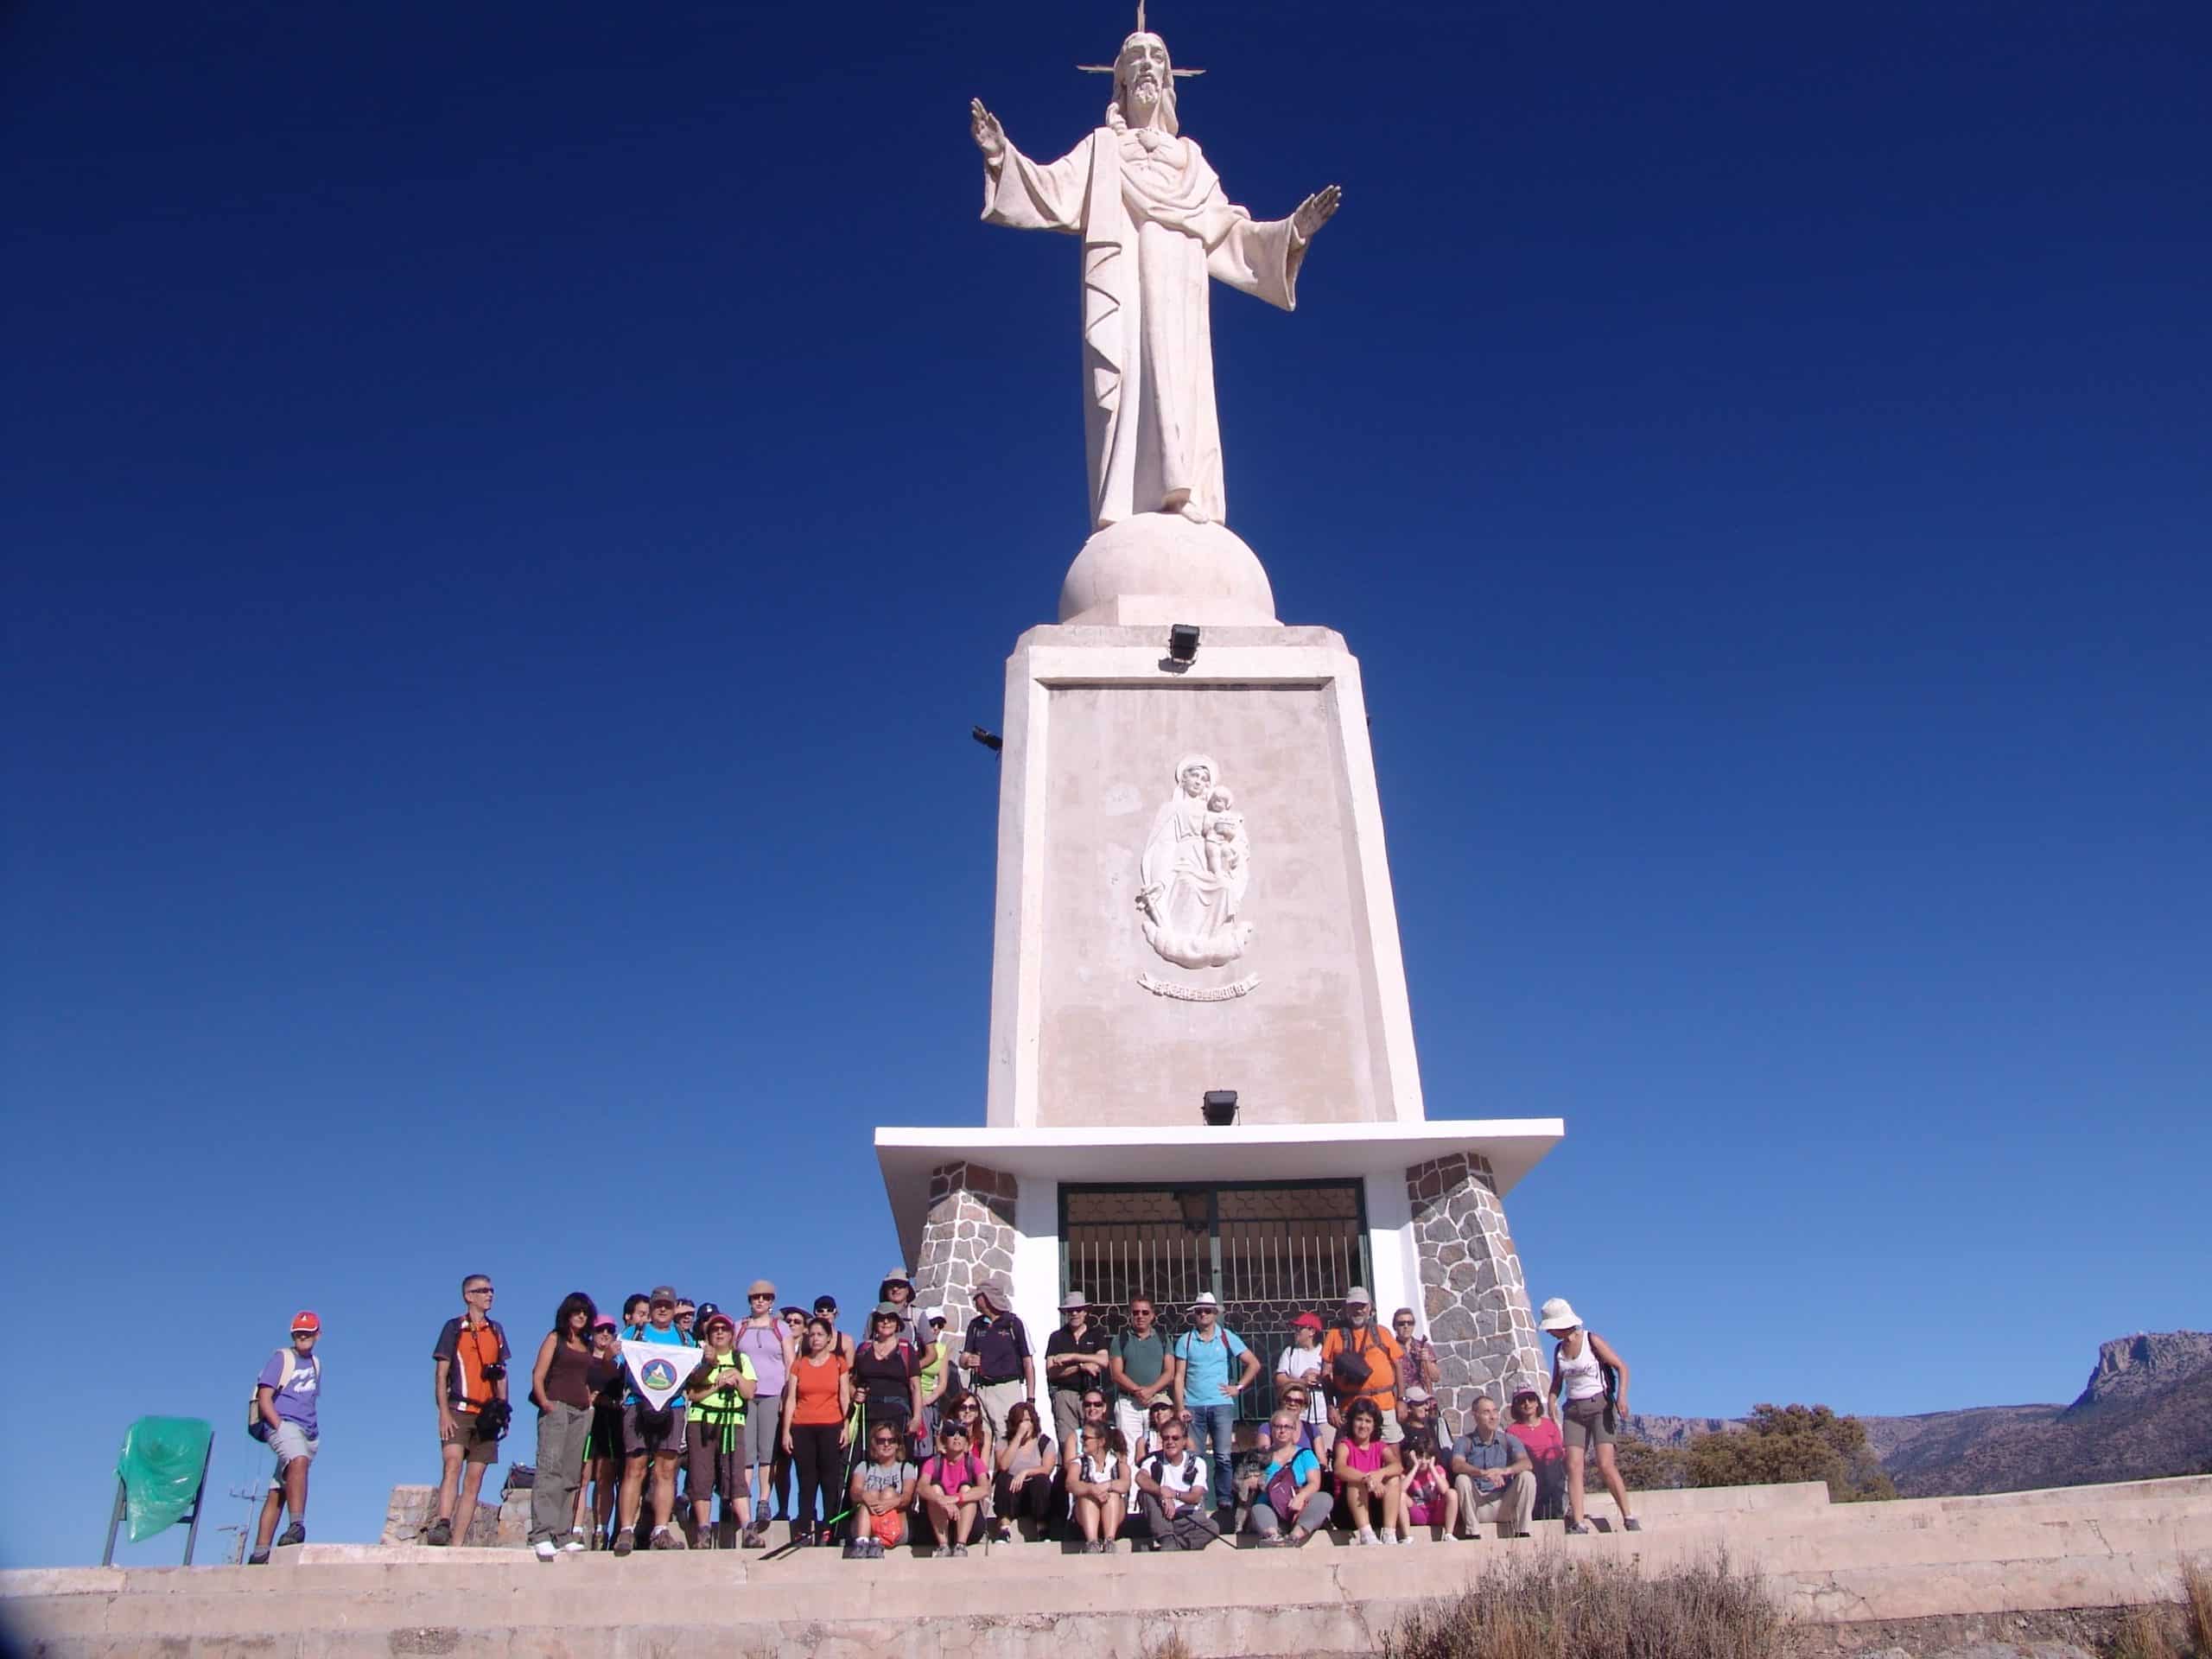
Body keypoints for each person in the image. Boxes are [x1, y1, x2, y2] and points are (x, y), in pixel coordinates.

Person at [969, 38, 1341, 529]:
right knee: (1130, 379)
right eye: (1136, 58)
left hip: (1181, 283)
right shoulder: (1104, 149)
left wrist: (1291, 232)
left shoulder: (1192, 161)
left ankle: (1184, 488)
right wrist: (1003, 157)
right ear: (1121, 79)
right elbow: (1052, 190)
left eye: (1157, 58)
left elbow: (1231, 234)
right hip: (1125, 279)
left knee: (1180, 381)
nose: (1147, 66)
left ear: (1168, 78)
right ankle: (1128, 502)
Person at [1539, 1298, 1639, 1535]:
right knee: (1573, 1465)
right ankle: (1579, 1522)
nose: (1550, 1333)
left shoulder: (1591, 1340)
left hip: (1599, 1406)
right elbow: (1557, 1382)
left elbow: (1621, 1367)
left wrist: (1622, 1397)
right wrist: (1551, 1400)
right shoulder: (1559, 1350)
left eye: (1551, 1327)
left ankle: (1628, 1516)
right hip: (1573, 1411)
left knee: (1605, 1464)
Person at [426, 1272, 510, 1548]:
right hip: (459, 1408)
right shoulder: (454, 1328)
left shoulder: (496, 1330)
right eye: (483, 1290)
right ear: (468, 1296)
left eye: (491, 1290)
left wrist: (503, 1410)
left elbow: (502, 1373)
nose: (490, 1295)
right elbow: (441, 1373)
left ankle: (458, 1543)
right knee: (452, 1464)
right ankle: (443, 1523)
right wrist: (443, 1412)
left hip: (487, 1414)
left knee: (475, 1478)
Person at [614, 1285, 696, 1554]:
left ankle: (661, 1530)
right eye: (658, 1304)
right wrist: (610, 1353)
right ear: (651, 1307)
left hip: (672, 1406)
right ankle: (626, 1530)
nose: (662, 1309)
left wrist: (707, 1362)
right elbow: (613, 1361)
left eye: (667, 1305)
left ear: (674, 1309)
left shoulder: (685, 1338)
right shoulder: (634, 1333)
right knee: (634, 1467)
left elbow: (696, 1373)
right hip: (637, 1403)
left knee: (666, 1470)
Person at [1170, 1292, 1257, 1515]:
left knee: (1223, 1456)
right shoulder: (1186, 1340)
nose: (1203, 1314)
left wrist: (1238, 1387)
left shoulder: (1227, 1337)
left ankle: (1224, 1501)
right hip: (1193, 1406)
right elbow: (1179, 1376)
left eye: (1207, 1310)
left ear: (1215, 1313)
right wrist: (1180, 1407)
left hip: (1221, 1405)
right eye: (1199, 1311)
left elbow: (1254, 1364)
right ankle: (1195, 1501)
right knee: (1194, 1457)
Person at [526, 1291, 599, 1560]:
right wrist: (545, 1402)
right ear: (567, 1313)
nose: (581, 1316)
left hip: (581, 1412)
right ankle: (542, 1533)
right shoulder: (555, 1338)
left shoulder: (587, 1345)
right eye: (576, 1311)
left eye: (585, 1312)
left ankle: (562, 1533)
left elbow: (588, 1376)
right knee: (550, 1469)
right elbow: (538, 1373)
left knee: (571, 1474)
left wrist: (589, 1403)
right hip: (556, 1408)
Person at [246, 1311, 322, 1565]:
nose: (303, 1337)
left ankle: (260, 1552)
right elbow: (265, 1397)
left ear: (317, 1335)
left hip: (307, 1431)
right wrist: (278, 1426)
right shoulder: (282, 1358)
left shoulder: (316, 1364)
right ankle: (297, 1525)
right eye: (299, 1333)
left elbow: (309, 1400)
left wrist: (313, 1432)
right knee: (298, 1461)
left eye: (308, 1333)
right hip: (283, 1424)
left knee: (279, 1489)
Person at [683, 1310, 757, 1548]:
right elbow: (692, 1393)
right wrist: (717, 1385)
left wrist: (735, 1375)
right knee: (701, 1475)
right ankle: (703, 1530)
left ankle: (748, 1528)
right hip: (702, 1422)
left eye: (724, 1329)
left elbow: (749, 1392)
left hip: (732, 1422)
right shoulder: (699, 1359)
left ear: (731, 1334)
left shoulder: (740, 1359)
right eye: (715, 1329)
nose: (720, 1333)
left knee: (736, 1475)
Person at [780, 1314, 853, 1547]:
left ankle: (828, 1528)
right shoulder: (799, 1365)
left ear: (829, 1338)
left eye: (820, 1334)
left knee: (829, 1480)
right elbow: (791, 1399)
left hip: (831, 1425)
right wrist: (786, 1431)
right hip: (802, 1427)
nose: (815, 1339)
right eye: (811, 1335)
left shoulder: (839, 1363)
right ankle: (803, 1529)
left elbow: (844, 1397)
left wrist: (845, 1426)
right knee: (806, 1480)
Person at [734, 1281, 794, 1547]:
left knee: (768, 1451)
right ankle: (744, 1500)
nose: (760, 1301)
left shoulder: (780, 1328)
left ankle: (764, 1500)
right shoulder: (739, 1327)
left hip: (773, 1393)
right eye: (755, 1297)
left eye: (765, 1297)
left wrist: (788, 1396)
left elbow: (790, 1364)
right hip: (745, 1395)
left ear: (772, 1301)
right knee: (746, 1452)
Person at [1321, 1287, 1404, 1444]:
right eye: (1354, 1306)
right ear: (1347, 1308)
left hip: (1384, 1406)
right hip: (1350, 1408)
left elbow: (1398, 1366)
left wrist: (1401, 1400)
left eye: (1362, 1306)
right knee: (1348, 1452)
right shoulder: (1335, 1334)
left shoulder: (1382, 1333)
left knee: (1391, 1451)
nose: (1358, 1310)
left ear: (1370, 1307)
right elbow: (1326, 1373)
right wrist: (1330, 1406)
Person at [1448, 1394, 1536, 1541]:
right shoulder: (1464, 1442)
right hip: (1479, 1506)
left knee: (1527, 1476)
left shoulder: (1508, 1439)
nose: (1493, 1417)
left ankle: (1523, 1532)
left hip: (1505, 1504)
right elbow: (1457, 1465)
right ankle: (1473, 1533)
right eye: (1486, 1412)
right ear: (1475, 1415)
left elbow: (1527, 1463)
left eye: (1495, 1411)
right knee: (1461, 1479)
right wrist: (1482, 1473)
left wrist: (1504, 1471)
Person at [958, 1279, 1034, 1444]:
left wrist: (1030, 1399)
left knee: (1007, 1437)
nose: (974, 1300)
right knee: (981, 1438)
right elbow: (963, 1358)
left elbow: (1028, 1361)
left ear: (987, 1298)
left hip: (1006, 1390)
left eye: (977, 1296)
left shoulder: (1014, 1324)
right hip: (980, 1389)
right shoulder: (975, 1325)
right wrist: (967, 1361)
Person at [1243, 1409, 1332, 1548]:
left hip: (1298, 1510)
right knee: (1258, 1508)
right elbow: (1246, 1481)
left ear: (1293, 1431)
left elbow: (1314, 1483)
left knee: (1324, 1498)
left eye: (1287, 1427)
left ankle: (1295, 1536)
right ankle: (1273, 1537)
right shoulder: (1260, 1456)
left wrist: (1300, 1497)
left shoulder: (1305, 1455)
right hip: (1270, 1509)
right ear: (1271, 1430)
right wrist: (1256, 1481)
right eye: (1278, 1426)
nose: (1282, 1431)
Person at [1135, 1417, 1219, 1551]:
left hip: (1189, 1518)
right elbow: (1140, 1477)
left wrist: (1174, 1494)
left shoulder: (1197, 1463)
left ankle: (1175, 1546)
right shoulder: (1153, 1459)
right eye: (1166, 1438)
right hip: (1162, 1518)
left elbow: (1195, 1497)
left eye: (1175, 1438)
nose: (1170, 1442)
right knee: (1145, 1493)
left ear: (1184, 1441)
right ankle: (1167, 1539)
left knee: (1213, 1527)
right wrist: (1161, 1492)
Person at [852, 1302, 924, 1452]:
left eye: (891, 1318)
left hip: (899, 1416)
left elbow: (915, 1386)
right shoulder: (863, 1350)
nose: (886, 1322)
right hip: (869, 1415)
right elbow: (852, 1382)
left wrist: (917, 1417)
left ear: (897, 1323)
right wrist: (855, 1394)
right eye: (881, 1318)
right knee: (869, 1459)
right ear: (874, 1323)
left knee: (899, 1459)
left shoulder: (906, 1349)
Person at [1333, 1397, 1405, 1547]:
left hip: (1375, 1505)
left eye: (1368, 1421)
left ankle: (1389, 1534)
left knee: (1393, 1479)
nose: (1363, 1425)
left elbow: (1398, 1466)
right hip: (1348, 1510)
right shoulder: (1345, 1446)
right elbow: (1340, 1469)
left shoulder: (1379, 1446)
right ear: (1352, 1422)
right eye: (1359, 1420)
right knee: (1356, 1483)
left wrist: (1380, 1474)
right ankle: (1366, 1535)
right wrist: (1368, 1478)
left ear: (1374, 1425)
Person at [1108, 1293, 1173, 1457]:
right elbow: (1116, 1374)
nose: (1140, 1316)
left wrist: (1150, 1391)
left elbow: (1170, 1372)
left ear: (1152, 1315)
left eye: (1145, 1312)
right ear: (1130, 1315)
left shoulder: (1163, 1339)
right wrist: (1138, 1391)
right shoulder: (1120, 1339)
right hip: (1128, 1403)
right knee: (1128, 1451)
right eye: (1136, 1312)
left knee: (1159, 1448)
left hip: (1157, 1402)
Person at [1043, 1291, 1109, 1451]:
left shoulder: (1096, 1334)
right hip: (1065, 1395)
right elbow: (1051, 1372)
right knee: (1068, 1443)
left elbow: (1104, 1361)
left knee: (1094, 1440)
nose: (1074, 1314)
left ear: (1085, 1312)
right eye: (1070, 1310)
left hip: (1092, 1396)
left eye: (1078, 1310)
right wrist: (1081, 1366)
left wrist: (1072, 1357)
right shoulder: (1056, 1337)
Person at [845, 1421, 918, 1560]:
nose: (886, 1444)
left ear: (898, 1444)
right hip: (865, 1526)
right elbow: (854, 1491)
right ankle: (862, 1544)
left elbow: (907, 1497)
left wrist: (890, 1503)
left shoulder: (906, 1468)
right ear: (874, 1444)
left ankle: (878, 1541)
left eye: (891, 1440)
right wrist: (864, 1496)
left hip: (896, 1527)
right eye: (881, 1441)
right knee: (870, 1493)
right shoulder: (864, 1466)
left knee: (888, 1493)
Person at [581, 1317, 624, 1548]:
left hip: (611, 1422)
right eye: (600, 1329)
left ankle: (601, 1531)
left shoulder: (619, 1362)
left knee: (605, 1476)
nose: (605, 1333)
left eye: (610, 1330)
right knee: (582, 1476)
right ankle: (576, 1529)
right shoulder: (584, 1358)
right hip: (587, 1420)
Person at [918, 1420, 989, 1556]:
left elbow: (984, 1489)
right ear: (944, 1440)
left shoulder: (975, 1462)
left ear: (967, 1442)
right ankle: (943, 1546)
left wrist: (956, 1498)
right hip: (939, 1524)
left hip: (969, 1525)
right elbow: (921, 1487)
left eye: (961, 1433)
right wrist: (941, 1500)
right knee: (935, 1488)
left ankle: (961, 1546)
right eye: (951, 1433)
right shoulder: (933, 1462)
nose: (957, 1437)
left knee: (966, 1488)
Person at [1064, 1418, 1129, 1554]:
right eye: (1082, 1437)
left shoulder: (1118, 1464)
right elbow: (1070, 1484)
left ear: (1101, 1442)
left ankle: (1109, 1541)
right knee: (1087, 1496)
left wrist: (1106, 1486)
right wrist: (1091, 1489)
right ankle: (1092, 1543)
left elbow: (1125, 1484)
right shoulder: (1078, 1463)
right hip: (1084, 1519)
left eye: (1086, 1438)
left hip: (1114, 1517)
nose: (1082, 1441)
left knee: (1113, 1494)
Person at [994, 1399, 1058, 1538]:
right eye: (1020, 1422)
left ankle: (1043, 1529)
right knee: (1003, 1479)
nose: (1024, 1425)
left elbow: (1047, 1469)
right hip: (1012, 1493)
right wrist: (1018, 1437)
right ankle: (1004, 1529)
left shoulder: (1045, 1442)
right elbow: (1003, 1465)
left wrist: (1026, 1472)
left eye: (1028, 1421)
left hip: (1034, 1494)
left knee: (1041, 1480)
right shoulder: (1003, 1442)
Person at [1505, 1387, 1567, 1522]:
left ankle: (1556, 1515)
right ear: (1516, 1406)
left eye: (1531, 1399)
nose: (1527, 1404)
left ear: (1537, 1402)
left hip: (1551, 1469)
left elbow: (1559, 1450)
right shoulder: (1512, 1430)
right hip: (1530, 1469)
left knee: (1554, 1471)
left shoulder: (1549, 1425)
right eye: (1522, 1401)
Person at [1274, 1312, 1332, 1456]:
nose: (1296, 1332)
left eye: (1299, 1328)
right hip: (1298, 1416)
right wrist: (1301, 1382)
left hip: (1323, 1415)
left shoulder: (1325, 1352)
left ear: (1312, 1331)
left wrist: (1320, 1376)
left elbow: (1335, 1378)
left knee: (1326, 1455)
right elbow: (1279, 1379)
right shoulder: (1291, 1352)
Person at [1402, 1427, 1458, 1541]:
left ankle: (1449, 1534)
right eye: (1419, 1457)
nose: (1423, 1461)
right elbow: (1401, 1490)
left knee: (1452, 1493)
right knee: (1401, 1496)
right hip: (1418, 1514)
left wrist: (1432, 1468)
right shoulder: (1407, 1473)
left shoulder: (1438, 1469)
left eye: (1427, 1457)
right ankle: (1407, 1536)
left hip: (1436, 1513)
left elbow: (1444, 1489)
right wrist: (1415, 1467)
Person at [915, 1307, 954, 1452]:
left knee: (925, 1447)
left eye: (940, 1325)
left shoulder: (942, 1349)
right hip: (910, 1398)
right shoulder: (914, 1344)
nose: (936, 1328)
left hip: (928, 1402)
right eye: (932, 1323)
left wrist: (928, 1399)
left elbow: (942, 1383)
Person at [1392, 1307, 1442, 1402]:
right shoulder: (1390, 1348)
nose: (1406, 1326)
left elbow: (1436, 1377)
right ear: (1395, 1326)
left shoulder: (1424, 1347)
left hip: (1423, 1399)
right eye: (1401, 1323)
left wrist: (1427, 1361)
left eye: (1410, 1323)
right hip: (1400, 1399)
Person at [813, 1294, 856, 1363]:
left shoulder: (847, 1341)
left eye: (830, 1310)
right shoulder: (807, 1341)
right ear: (815, 1314)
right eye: (820, 1310)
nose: (825, 1313)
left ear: (835, 1313)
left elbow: (851, 1368)